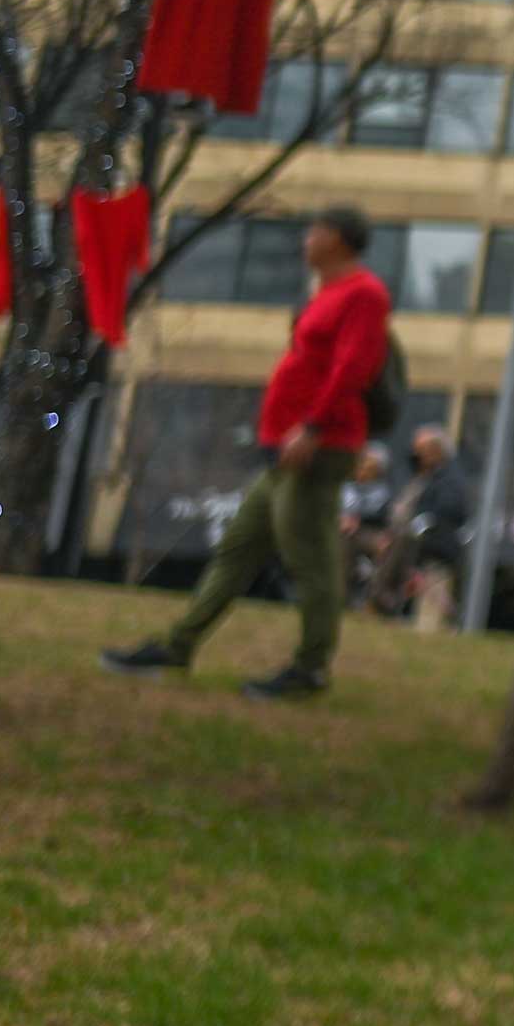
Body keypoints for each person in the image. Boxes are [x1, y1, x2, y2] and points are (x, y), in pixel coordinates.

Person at [102, 207, 393, 699]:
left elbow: (353, 368)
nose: (306, 238)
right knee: (237, 550)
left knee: (313, 561)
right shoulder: (326, 292)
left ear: (338, 239)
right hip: (284, 449)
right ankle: (178, 645)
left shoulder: (365, 294)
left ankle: (310, 669)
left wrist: (313, 427)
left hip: (318, 448)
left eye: (314, 229)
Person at [368, 424, 472, 617]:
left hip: (431, 539)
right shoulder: (413, 476)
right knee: (348, 534)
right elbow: (389, 507)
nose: (417, 454)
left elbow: (451, 510)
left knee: (403, 539)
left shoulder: (450, 480)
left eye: (422, 449)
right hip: (393, 533)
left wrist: (416, 522)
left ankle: (381, 596)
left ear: (437, 451)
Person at [338, 443, 394, 603]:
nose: (363, 471)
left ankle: (373, 599)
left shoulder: (382, 492)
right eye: (362, 465)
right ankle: (340, 594)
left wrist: (357, 520)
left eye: (370, 468)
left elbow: (382, 516)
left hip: (369, 534)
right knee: (344, 536)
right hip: (341, 532)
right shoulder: (344, 487)